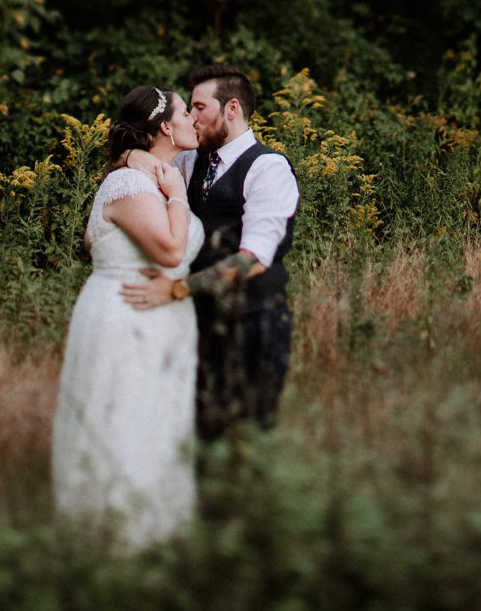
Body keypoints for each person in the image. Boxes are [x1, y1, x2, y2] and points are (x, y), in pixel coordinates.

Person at [50, 85, 201, 550]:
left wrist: (153, 169)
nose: (196, 121)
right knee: (121, 422)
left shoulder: (155, 172)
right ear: (164, 128)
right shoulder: (130, 184)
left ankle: (157, 537)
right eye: (186, 113)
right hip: (127, 316)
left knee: (157, 425)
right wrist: (175, 193)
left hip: (163, 322)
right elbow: (171, 249)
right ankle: (111, 542)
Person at [121, 63, 299, 441]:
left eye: (199, 108)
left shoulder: (268, 168)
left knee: (247, 437)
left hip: (253, 323)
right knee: (197, 436)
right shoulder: (188, 162)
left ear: (231, 109)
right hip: (197, 326)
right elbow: (140, 162)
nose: (192, 118)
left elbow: (252, 259)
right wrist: (131, 158)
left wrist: (177, 288)